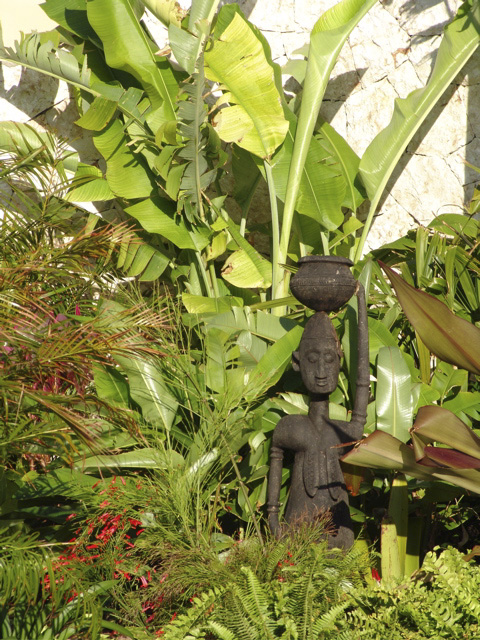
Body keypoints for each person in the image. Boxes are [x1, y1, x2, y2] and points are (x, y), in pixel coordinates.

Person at [267, 284, 369, 549]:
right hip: (295, 530)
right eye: (312, 360)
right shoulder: (290, 428)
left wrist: (361, 306)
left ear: (339, 361)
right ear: (297, 363)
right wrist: (273, 518)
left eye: (329, 360)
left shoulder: (344, 431)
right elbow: (276, 456)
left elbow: (361, 403)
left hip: (338, 533)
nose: (322, 371)